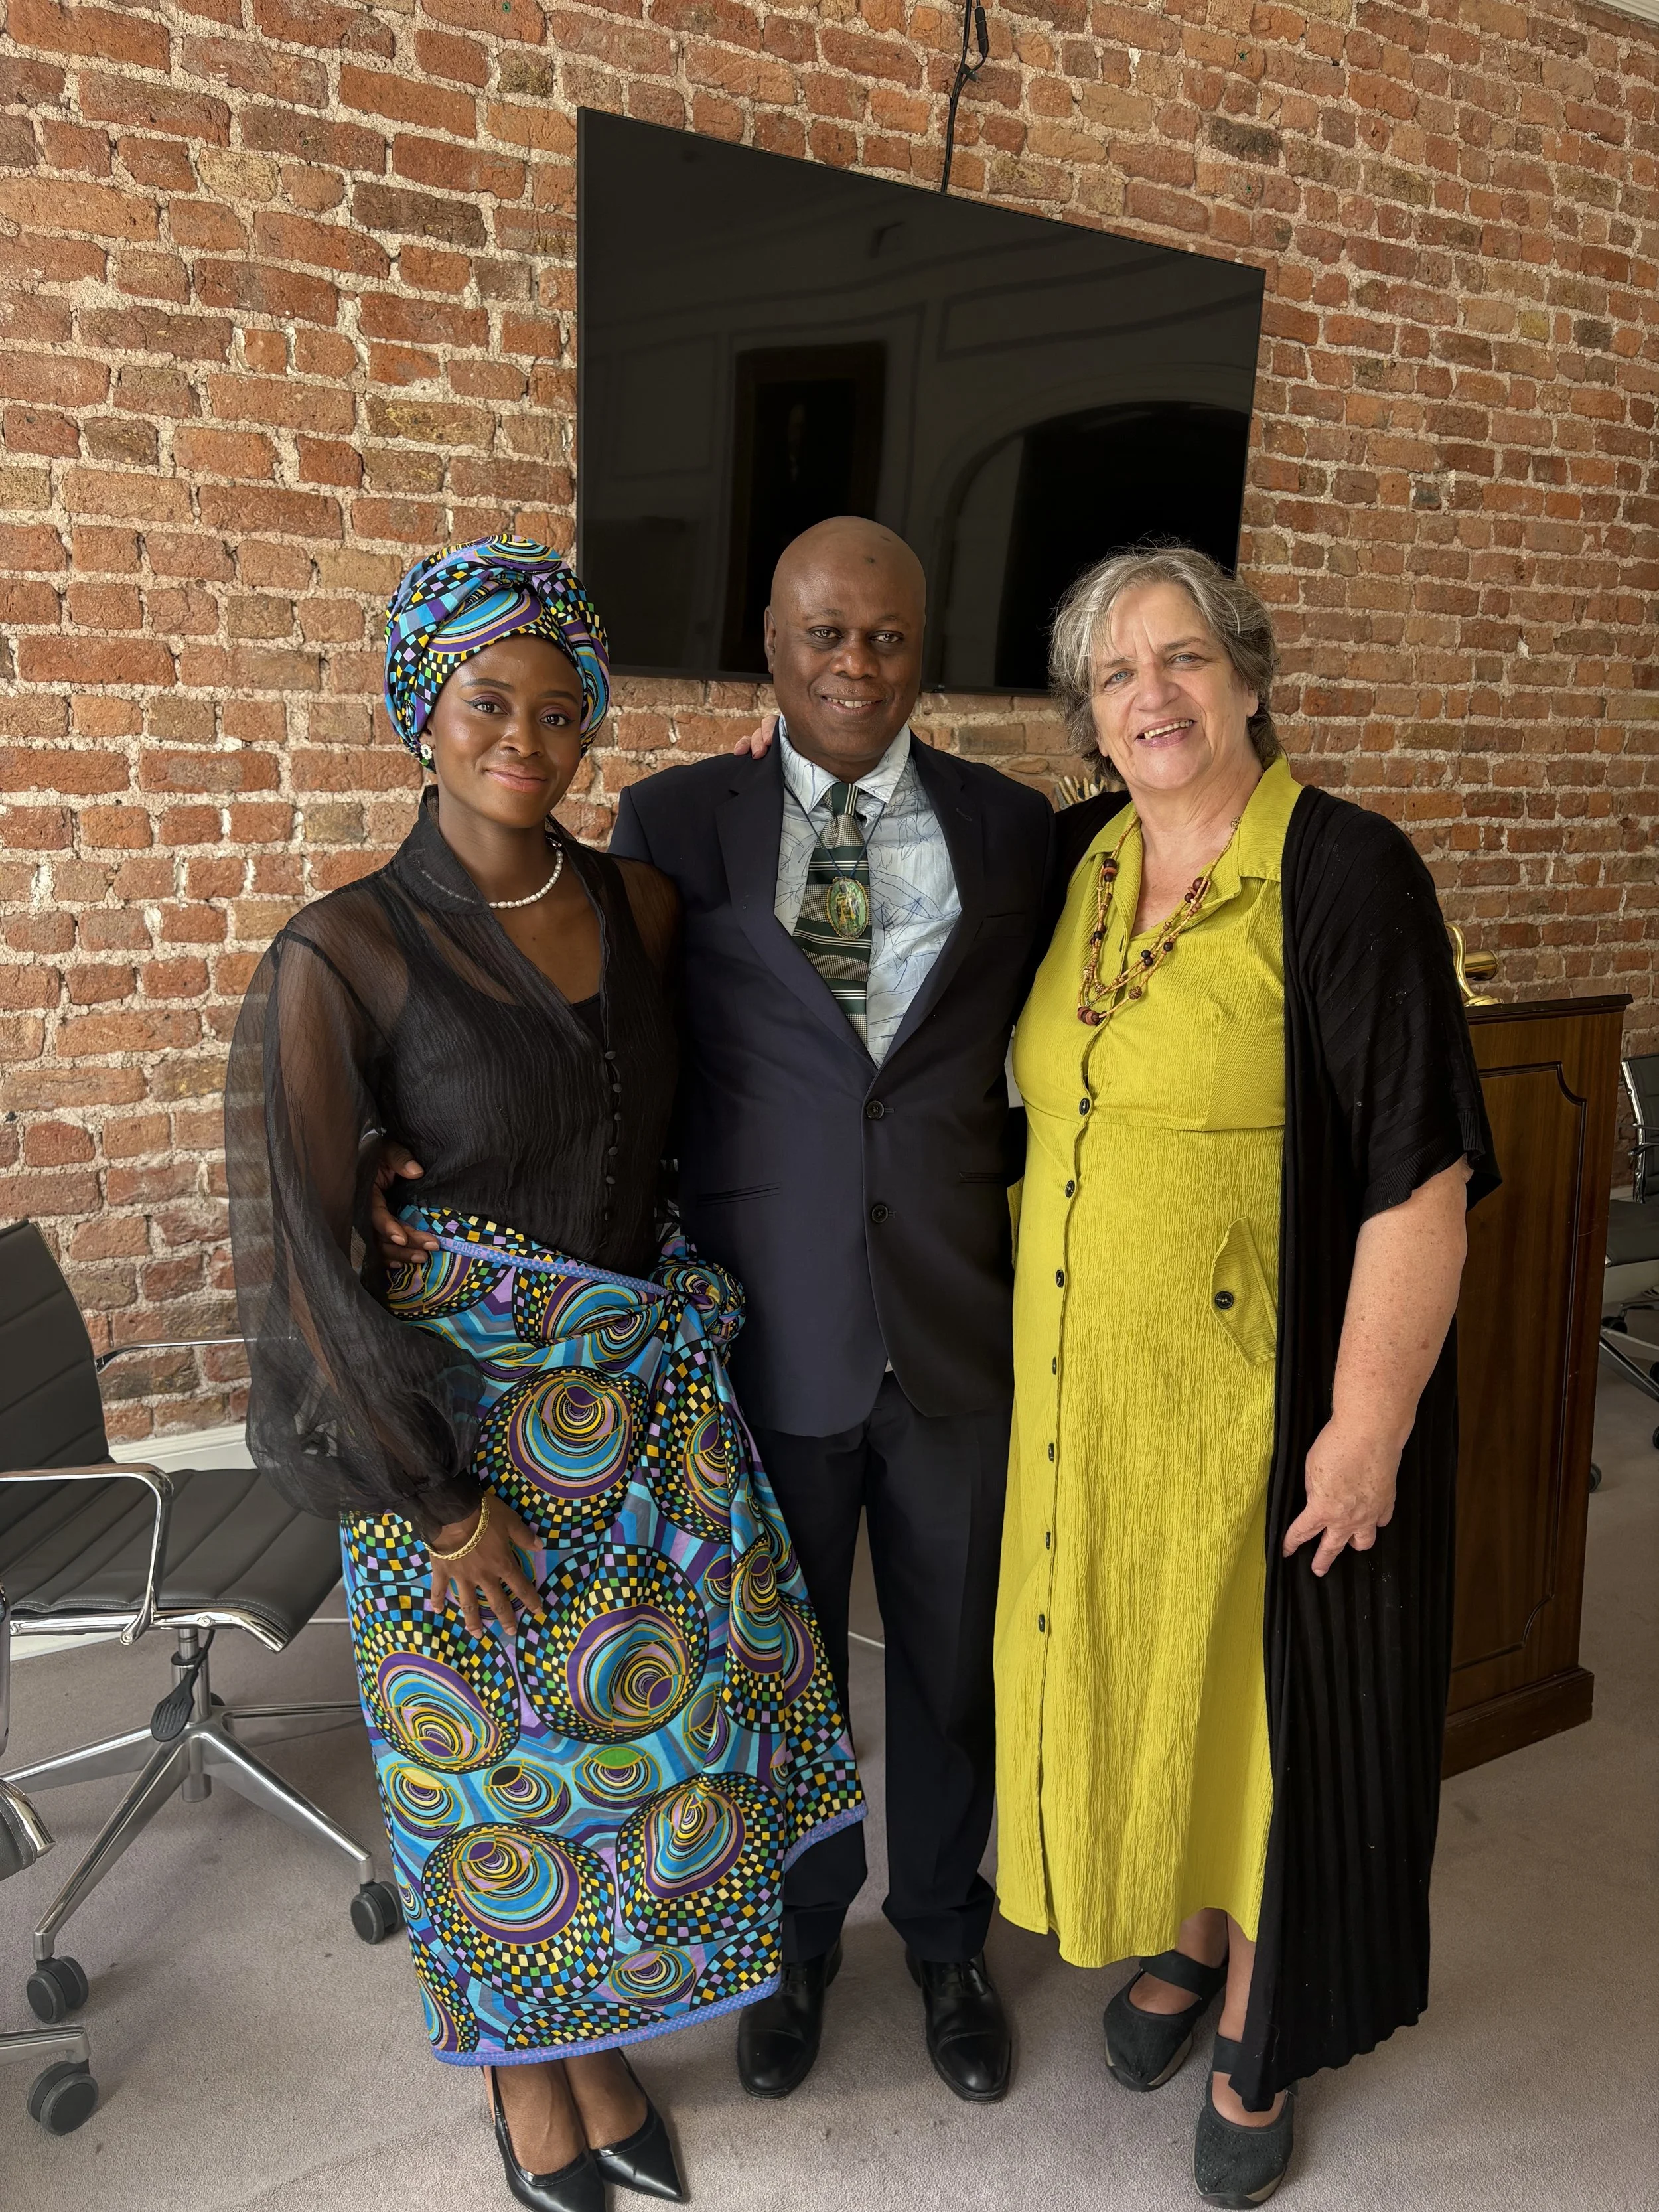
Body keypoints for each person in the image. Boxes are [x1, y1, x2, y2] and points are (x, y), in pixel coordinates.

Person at [226, 536, 863, 2212]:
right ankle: (524, 2085)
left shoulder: (638, 903)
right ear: (422, 718)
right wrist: (437, 1505)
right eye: (487, 700)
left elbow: (652, 1126)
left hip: (631, 1426)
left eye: (561, 706)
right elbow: (305, 1255)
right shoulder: (340, 952)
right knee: (482, 1795)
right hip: (449, 1447)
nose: (527, 732)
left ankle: (590, 2043)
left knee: (617, 1772)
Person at [994, 545, 1499, 2207]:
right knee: (1156, 1689)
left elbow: (1417, 1174)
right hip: (1091, 1410)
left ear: (1249, 677)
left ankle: (1256, 2028)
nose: (1152, 694)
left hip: (1256, 1405)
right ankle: (1184, 1937)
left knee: (1268, 1720)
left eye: (1183, 657)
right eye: (1116, 673)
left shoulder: (1345, 873)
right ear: (1085, 717)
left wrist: (1366, 1427)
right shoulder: (1076, 862)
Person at [607, 518, 1054, 2104]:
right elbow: (609, 1049)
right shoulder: (673, 820)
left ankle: (942, 1934)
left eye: (883, 637)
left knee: (948, 1662)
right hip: (767, 1330)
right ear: (770, 646)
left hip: (952, 1328)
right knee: (780, 1670)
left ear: (919, 646)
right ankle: (797, 1940)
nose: (853, 664)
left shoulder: (1020, 831)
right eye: (820, 635)